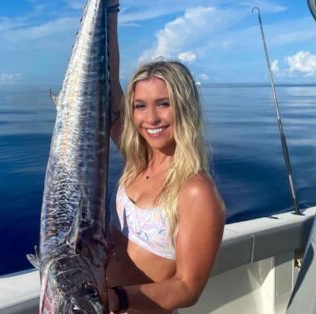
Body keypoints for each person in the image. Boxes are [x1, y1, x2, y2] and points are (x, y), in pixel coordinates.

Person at [105, 1, 226, 313]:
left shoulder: (196, 190)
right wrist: (110, 12)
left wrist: (118, 299)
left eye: (164, 103)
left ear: (184, 107)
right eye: (140, 105)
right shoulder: (139, 159)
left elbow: (188, 286)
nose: (151, 118)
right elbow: (108, 85)